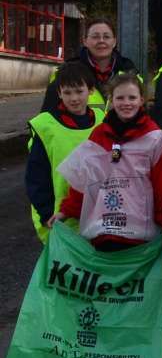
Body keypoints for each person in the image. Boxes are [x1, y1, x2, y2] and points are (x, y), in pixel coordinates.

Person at [49, 72, 162, 250]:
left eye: (132, 97)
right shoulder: (98, 135)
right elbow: (86, 180)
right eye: (120, 97)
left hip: (140, 232)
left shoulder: (154, 137)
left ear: (142, 100)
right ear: (111, 100)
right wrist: (66, 211)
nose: (126, 103)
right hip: (104, 229)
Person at [26, 63, 102, 242]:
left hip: (98, 214)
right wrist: (45, 214)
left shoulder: (102, 120)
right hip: (58, 218)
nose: (74, 98)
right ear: (59, 93)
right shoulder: (45, 126)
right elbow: (36, 176)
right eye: (67, 92)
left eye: (79, 91)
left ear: (90, 90)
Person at [40, 18, 137, 113]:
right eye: (95, 37)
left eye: (106, 37)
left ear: (114, 42)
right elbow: (48, 118)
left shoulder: (129, 71)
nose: (101, 41)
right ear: (85, 41)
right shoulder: (66, 72)